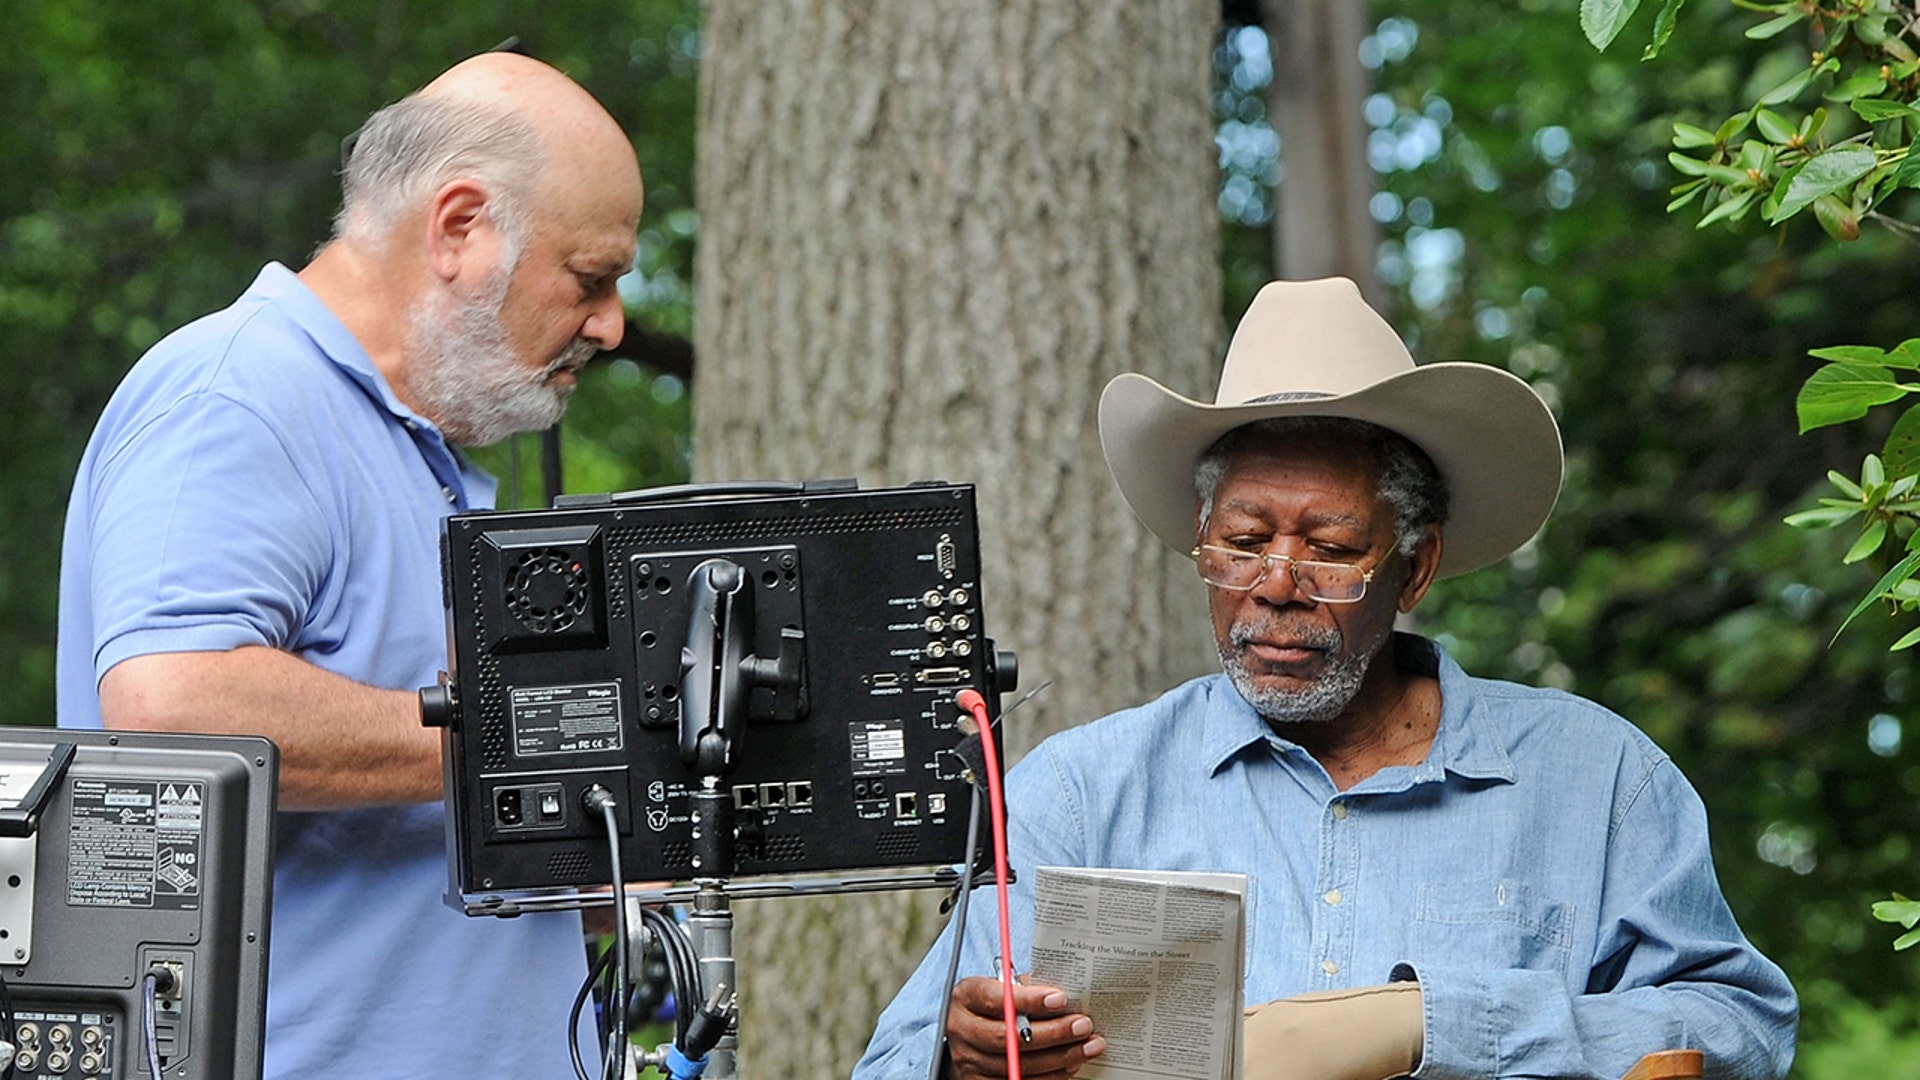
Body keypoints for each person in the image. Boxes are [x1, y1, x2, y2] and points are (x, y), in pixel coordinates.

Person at [854, 277, 1797, 1080]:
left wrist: (1437, 1024)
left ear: (1414, 570)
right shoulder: (1081, 792)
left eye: (1334, 550)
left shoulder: (1595, 780)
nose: (1276, 587)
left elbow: (1741, 1029)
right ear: (1201, 542)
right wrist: (958, 1052)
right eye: (1244, 542)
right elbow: (893, 1059)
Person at [55, 52, 643, 1078]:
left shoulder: (428, 456)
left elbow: (413, 823)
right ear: (461, 229)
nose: (610, 325)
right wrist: (544, 741)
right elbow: (167, 706)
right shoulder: (238, 395)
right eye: (589, 278)